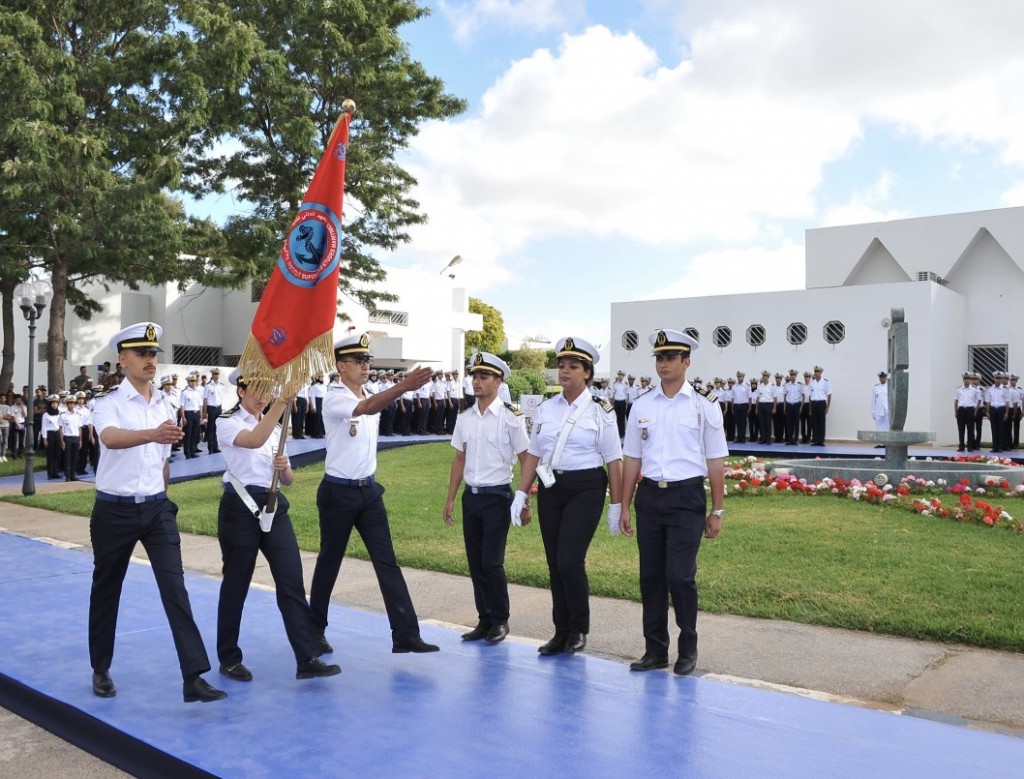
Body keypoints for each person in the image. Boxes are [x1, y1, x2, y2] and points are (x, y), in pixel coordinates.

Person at [88, 322, 225, 703]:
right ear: (122, 359)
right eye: (142, 354)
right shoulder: (108, 402)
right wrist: (152, 434)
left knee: (175, 588)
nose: (150, 360)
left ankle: (193, 677)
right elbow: (111, 439)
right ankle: (100, 667)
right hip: (114, 510)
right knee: (107, 588)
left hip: (156, 508)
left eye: (153, 354)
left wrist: (162, 497)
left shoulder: (166, 403)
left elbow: (163, 461)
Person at [309, 334, 440, 654]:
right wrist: (403, 387)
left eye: (368, 361)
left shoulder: (370, 392)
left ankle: (406, 634)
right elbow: (366, 409)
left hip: (369, 491)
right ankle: (313, 631)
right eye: (359, 361)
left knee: (387, 562)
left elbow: (372, 402)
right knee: (330, 561)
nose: (366, 366)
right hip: (338, 492)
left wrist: (398, 389)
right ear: (341, 366)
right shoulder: (335, 396)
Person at [215, 369, 341, 683]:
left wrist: (284, 469)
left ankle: (306, 656)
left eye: (267, 390)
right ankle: (229, 658)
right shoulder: (227, 422)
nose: (262, 395)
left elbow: (288, 479)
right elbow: (253, 440)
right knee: (236, 584)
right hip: (240, 508)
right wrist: (282, 403)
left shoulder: (274, 428)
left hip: (273, 505)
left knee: (291, 580)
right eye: (256, 389)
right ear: (241, 390)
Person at [619, 329, 727, 676]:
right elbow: (632, 458)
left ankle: (688, 648)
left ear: (686, 362)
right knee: (651, 577)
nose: (663, 363)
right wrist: (624, 504)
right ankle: (655, 650)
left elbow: (715, 461)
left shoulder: (704, 405)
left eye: (670, 358)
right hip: (650, 496)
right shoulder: (642, 404)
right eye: (659, 358)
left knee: (680, 577)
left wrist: (717, 510)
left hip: (686, 497)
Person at [511, 336, 623, 656]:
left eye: (574, 367)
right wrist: (521, 493)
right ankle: (560, 630)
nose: (566, 371)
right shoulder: (547, 408)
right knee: (554, 563)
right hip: (551, 488)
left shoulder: (601, 410)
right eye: (562, 366)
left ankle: (578, 629)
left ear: (587, 373)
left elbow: (613, 459)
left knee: (569, 561)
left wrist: (616, 505)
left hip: (586, 487)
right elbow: (533, 453)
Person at [444, 352, 530, 644]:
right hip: (473, 497)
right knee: (475, 562)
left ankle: (500, 620)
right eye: (474, 376)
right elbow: (459, 459)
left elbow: (526, 459)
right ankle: (484, 619)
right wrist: (451, 498)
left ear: (498, 381)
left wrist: (525, 499)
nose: (477, 381)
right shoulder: (465, 418)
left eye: (483, 376)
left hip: (497, 496)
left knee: (492, 562)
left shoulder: (510, 418)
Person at [57, 396, 83, 481]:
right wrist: (62, 441)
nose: (71, 405)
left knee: (75, 457)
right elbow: (60, 429)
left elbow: (79, 428)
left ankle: (73, 474)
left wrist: (80, 439)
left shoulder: (77, 415)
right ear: (67, 405)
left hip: (75, 437)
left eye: (73, 404)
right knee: (67, 457)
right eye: (70, 404)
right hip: (67, 437)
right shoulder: (63, 415)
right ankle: (67, 475)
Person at [953, 372, 980, 453]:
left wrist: (975, 411)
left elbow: (979, 400)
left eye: (968, 378)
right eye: (965, 378)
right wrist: (955, 411)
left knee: (970, 429)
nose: (966, 380)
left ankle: (970, 446)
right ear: (963, 379)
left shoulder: (974, 390)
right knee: (961, 429)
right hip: (961, 410)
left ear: (970, 380)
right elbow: (956, 401)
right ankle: (961, 446)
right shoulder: (958, 389)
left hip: (970, 410)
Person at [201, 368, 225, 453]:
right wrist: (204, 411)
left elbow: (221, 397)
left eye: (218, 374)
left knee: (217, 428)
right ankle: (210, 448)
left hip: (218, 408)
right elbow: (205, 399)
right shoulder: (208, 386)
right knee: (211, 429)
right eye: (215, 374)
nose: (217, 376)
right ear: (212, 375)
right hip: (211, 408)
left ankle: (216, 447)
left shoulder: (221, 385)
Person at [180, 373, 203, 458]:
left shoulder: (197, 392)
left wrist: (201, 416)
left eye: (194, 381)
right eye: (191, 381)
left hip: (196, 413)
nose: (193, 382)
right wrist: (183, 417)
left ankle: (193, 451)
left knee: (195, 433)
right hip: (188, 413)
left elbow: (200, 405)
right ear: (188, 382)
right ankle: (187, 453)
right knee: (188, 434)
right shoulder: (185, 392)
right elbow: (182, 405)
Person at [808, 366, 832, 446]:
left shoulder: (826, 382)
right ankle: (815, 440)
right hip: (814, 403)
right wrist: (810, 408)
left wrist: (828, 407)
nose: (817, 373)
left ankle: (821, 441)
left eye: (818, 371)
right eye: (816, 371)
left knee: (821, 422)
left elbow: (829, 395)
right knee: (814, 423)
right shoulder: (812, 383)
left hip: (822, 403)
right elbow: (810, 396)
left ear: (821, 373)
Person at [871, 371, 890, 445]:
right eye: (881, 377)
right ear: (879, 378)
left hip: (887, 409)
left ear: (886, 378)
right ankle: (880, 442)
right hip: (878, 409)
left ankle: (886, 442)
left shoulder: (889, 387)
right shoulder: (875, 387)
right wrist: (872, 411)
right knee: (879, 425)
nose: (882, 379)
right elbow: (873, 400)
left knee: (887, 425)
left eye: (883, 377)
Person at [731, 371, 750, 443]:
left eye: (740, 376)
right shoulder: (734, 386)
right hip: (736, 405)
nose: (739, 378)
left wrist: (749, 407)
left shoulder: (747, 386)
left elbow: (749, 397)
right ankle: (738, 437)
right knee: (738, 422)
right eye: (738, 376)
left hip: (744, 405)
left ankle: (743, 438)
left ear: (743, 377)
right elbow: (733, 398)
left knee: (743, 422)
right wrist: (732, 407)